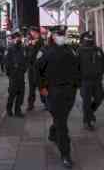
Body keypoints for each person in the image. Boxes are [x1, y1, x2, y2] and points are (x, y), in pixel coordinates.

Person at [37, 25, 79, 169]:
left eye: (63, 34)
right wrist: (42, 88)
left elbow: (77, 68)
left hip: (69, 92)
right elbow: (38, 71)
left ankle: (52, 131)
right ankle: (65, 155)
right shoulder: (45, 51)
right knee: (62, 124)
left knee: (61, 119)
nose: (62, 37)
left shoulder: (71, 50)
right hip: (54, 92)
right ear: (53, 36)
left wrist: (76, 86)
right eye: (59, 34)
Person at [78, 31, 104, 131]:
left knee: (100, 97)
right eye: (87, 38)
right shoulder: (79, 51)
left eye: (91, 37)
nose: (90, 39)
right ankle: (87, 121)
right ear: (83, 39)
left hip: (97, 80)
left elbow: (103, 62)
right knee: (86, 101)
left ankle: (90, 112)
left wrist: (101, 71)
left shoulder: (98, 50)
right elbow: (75, 67)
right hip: (85, 81)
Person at [5, 31, 28, 117]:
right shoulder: (10, 49)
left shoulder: (22, 48)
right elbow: (6, 62)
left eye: (19, 37)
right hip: (13, 75)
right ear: (13, 39)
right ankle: (9, 109)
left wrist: (23, 69)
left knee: (21, 93)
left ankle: (18, 110)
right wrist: (10, 73)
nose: (19, 39)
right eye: (17, 38)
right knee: (12, 93)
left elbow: (25, 60)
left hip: (21, 74)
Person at [26, 26, 46, 111]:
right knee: (31, 88)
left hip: (38, 68)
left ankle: (46, 103)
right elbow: (28, 54)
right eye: (31, 32)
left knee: (41, 86)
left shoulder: (41, 42)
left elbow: (40, 55)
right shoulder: (31, 42)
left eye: (32, 32)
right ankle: (31, 104)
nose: (31, 34)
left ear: (36, 32)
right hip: (31, 68)